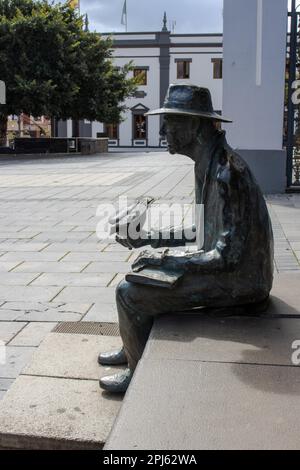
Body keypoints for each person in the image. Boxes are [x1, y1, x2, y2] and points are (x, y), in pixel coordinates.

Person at [98, 84, 274, 393]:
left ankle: (137, 376)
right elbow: (203, 232)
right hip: (231, 269)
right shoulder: (207, 164)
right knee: (143, 274)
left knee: (129, 293)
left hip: (243, 282)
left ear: (193, 125)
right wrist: (148, 239)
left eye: (172, 121)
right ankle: (131, 349)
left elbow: (226, 256)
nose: (164, 129)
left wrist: (163, 259)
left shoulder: (227, 173)